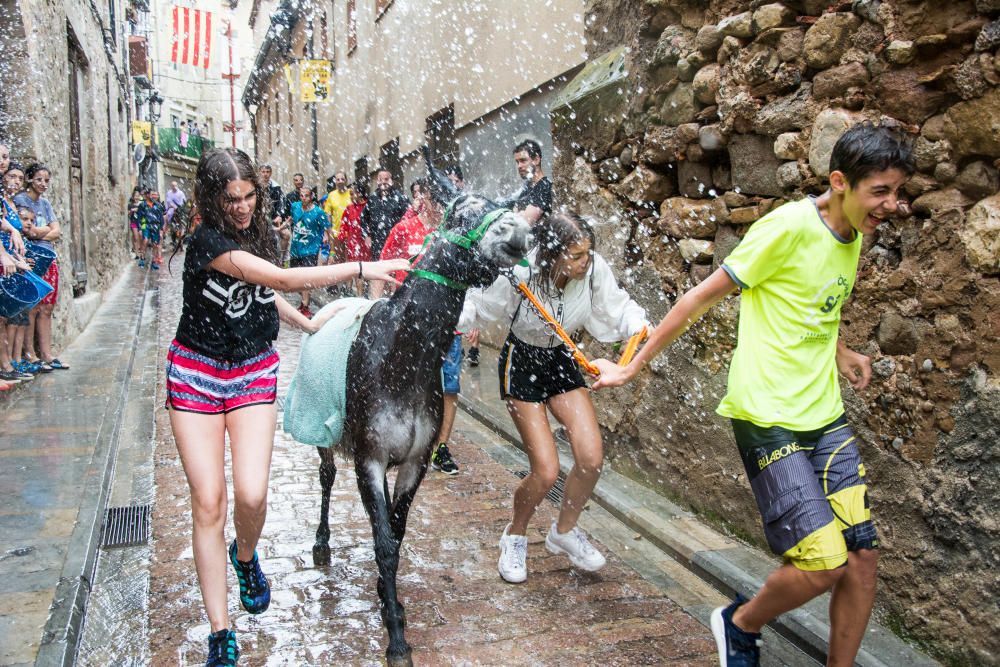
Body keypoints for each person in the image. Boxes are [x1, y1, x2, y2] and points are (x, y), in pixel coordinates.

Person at [592, 123, 914, 667]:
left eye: (897, 192)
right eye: (880, 191)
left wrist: (842, 352)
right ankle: (740, 624)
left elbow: (817, 306)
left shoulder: (854, 235)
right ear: (840, 182)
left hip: (824, 415)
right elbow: (697, 298)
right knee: (822, 563)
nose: (893, 204)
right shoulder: (786, 228)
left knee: (861, 559)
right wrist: (632, 368)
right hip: (768, 414)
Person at [166, 147, 407, 667]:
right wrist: (367, 265)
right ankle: (220, 632)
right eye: (231, 199)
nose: (242, 206)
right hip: (196, 374)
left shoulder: (258, 234)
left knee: (251, 496)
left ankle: (245, 557)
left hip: (252, 369)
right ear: (212, 199)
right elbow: (280, 279)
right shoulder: (207, 240)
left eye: (249, 195)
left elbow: (260, 290)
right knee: (209, 500)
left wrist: (307, 325)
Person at [460, 212, 648, 583]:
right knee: (545, 471)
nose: (584, 263)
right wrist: (447, 318)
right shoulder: (522, 272)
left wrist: (640, 326)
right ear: (553, 254)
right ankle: (514, 535)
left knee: (591, 458)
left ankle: (563, 531)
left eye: (587, 254)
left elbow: (619, 306)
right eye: (576, 256)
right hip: (522, 359)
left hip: (561, 357)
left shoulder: (593, 271)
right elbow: (481, 306)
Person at [14, 163, 68, 371]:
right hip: (31, 258)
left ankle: (47, 353)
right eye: (39, 179)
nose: (43, 184)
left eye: (46, 180)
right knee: (32, 307)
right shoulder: (20, 200)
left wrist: (37, 231)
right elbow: (25, 230)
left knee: (47, 307)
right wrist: (41, 231)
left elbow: (57, 231)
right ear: (29, 179)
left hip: (48, 257)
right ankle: (30, 353)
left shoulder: (45, 204)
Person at [287, 186, 330, 317]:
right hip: (295, 249)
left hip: (310, 249)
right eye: (301, 195)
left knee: (306, 278)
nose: (303, 198)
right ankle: (304, 300)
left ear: (311, 197)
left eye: (306, 195)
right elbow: (291, 220)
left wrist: (326, 236)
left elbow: (327, 228)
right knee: (295, 279)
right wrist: (281, 226)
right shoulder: (295, 206)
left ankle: (305, 305)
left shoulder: (318, 212)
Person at [360, 168, 408, 261]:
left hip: (395, 242)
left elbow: (407, 218)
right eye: (380, 179)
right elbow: (363, 217)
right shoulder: (372, 199)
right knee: (378, 269)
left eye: (386, 179)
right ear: (377, 181)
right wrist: (366, 235)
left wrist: (402, 236)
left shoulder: (400, 198)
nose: (383, 182)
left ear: (391, 181)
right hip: (376, 242)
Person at [501, 139, 553, 225]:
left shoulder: (544, 187)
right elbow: (514, 212)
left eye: (523, 160)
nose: (519, 166)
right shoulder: (527, 186)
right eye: (517, 162)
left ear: (536, 160)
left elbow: (523, 223)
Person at [335, 184, 370, 297]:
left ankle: (364, 293)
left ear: (359, 194)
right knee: (356, 269)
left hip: (366, 243)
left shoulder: (368, 206)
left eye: (352, 194)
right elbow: (344, 225)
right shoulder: (349, 208)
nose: (350, 197)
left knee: (366, 269)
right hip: (353, 243)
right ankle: (358, 295)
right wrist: (342, 238)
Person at [258, 165, 288, 265]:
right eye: (263, 172)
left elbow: (281, 203)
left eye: (267, 172)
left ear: (270, 173)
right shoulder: (255, 186)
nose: (265, 174)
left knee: (286, 234)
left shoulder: (276, 187)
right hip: (258, 219)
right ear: (260, 172)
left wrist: (279, 215)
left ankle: (282, 259)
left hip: (272, 217)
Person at [322, 170, 351, 265]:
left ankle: (351, 279)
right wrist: (328, 232)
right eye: (338, 179)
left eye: (342, 179)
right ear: (335, 181)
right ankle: (344, 279)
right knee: (339, 259)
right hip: (336, 232)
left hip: (350, 231)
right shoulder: (331, 196)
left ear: (346, 180)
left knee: (350, 257)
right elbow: (328, 215)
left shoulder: (351, 193)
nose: (340, 181)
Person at [140, 191, 167, 270]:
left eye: (156, 195)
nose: (154, 196)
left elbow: (162, 217)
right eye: (152, 194)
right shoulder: (143, 205)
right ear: (149, 195)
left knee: (155, 244)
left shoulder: (159, 206)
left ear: (158, 196)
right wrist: (140, 227)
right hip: (146, 225)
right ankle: (142, 258)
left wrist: (161, 228)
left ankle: (154, 261)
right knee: (145, 241)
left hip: (156, 226)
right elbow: (140, 216)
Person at [128, 189, 145, 259]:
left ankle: (141, 251)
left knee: (141, 236)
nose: (136, 197)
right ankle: (137, 254)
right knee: (135, 237)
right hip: (133, 222)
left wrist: (139, 210)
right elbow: (128, 214)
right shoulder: (130, 205)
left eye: (138, 196)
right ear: (133, 196)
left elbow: (144, 213)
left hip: (141, 222)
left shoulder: (142, 204)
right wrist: (132, 211)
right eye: (135, 196)